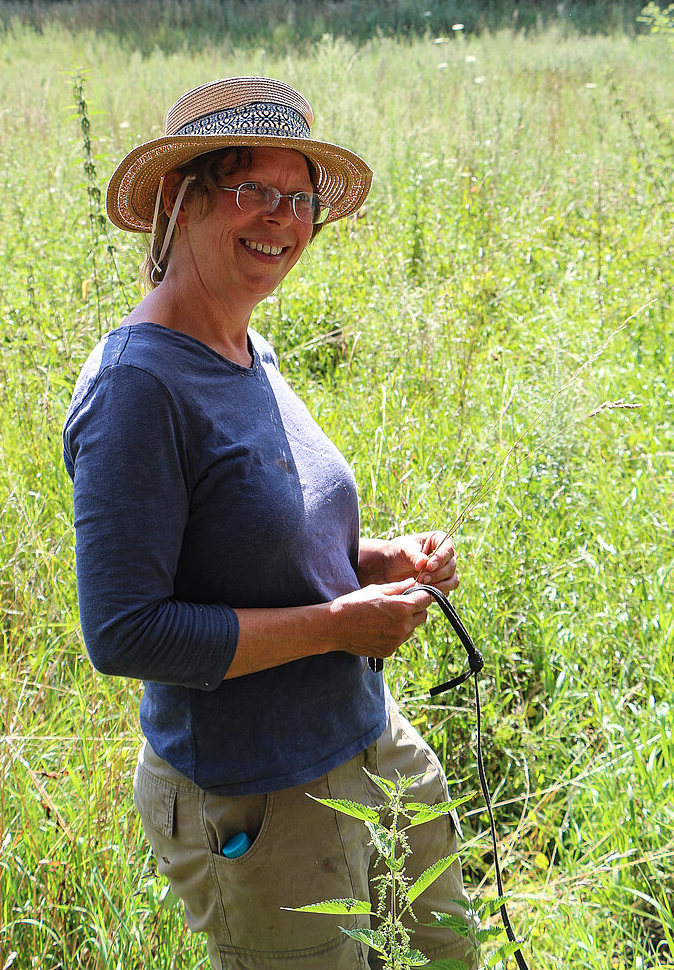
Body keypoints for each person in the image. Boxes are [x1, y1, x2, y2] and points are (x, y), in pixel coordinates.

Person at [63, 77, 477, 969]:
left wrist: (371, 560)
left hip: (365, 737)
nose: (283, 221)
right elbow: (127, 631)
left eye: (301, 200)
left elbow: (256, 544)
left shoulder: (248, 345)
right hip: (256, 795)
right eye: (255, 190)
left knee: (444, 951)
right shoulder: (138, 389)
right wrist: (338, 625)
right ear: (180, 198)